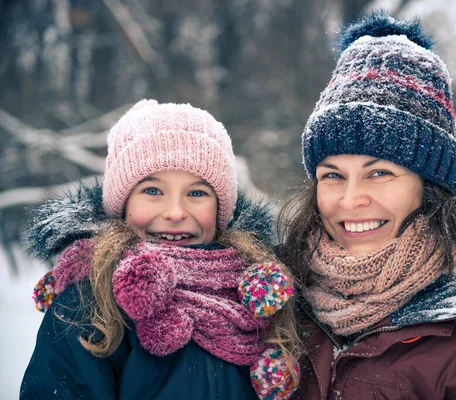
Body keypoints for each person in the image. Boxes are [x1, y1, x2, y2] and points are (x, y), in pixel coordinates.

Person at [278, 12, 456, 399]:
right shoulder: (279, 301)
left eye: (380, 174)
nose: (351, 199)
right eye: (332, 175)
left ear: (429, 187)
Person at [21, 100, 299, 400]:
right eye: (152, 191)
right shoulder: (88, 303)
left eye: (196, 193)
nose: (175, 212)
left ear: (220, 208)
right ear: (123, 204)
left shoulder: (258, 295)